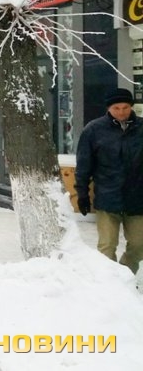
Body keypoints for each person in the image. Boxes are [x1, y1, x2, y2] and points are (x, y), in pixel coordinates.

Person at [75, 88, 143, 273]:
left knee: (139, 245)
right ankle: (110, 281)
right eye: (116, 108)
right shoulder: (94, 130)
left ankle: (125, 275)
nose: (121, 112)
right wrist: (82, 193)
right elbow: (84, 165)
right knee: (106, 246)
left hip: (138, 199)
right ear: (108, 108)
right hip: (107, 197)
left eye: (125, 107)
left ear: (131, 107)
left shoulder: (141, 128)